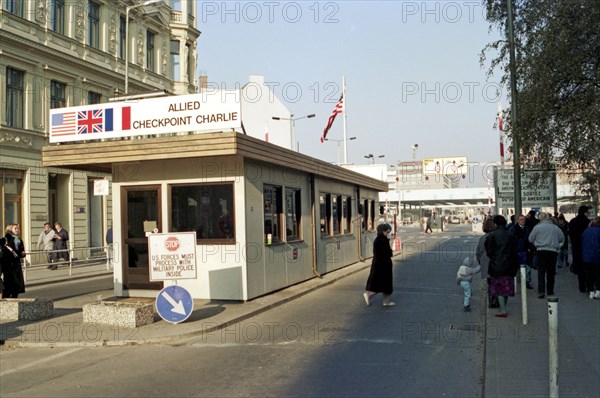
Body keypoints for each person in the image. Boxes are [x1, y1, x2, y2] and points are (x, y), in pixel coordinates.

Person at [485, 215, 519, 317]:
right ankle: (503, 307)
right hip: (510, 265)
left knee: (498, 288)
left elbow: (489, 250)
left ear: (495, 224)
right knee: (507, 287)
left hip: (497, 265)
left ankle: (502, 310)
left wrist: (494, 257)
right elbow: (515, 250)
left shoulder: (492, 235)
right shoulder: (511, 234)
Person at [529, 212, 564, 298]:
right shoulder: (555, 228)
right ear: (548, 218)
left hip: (541, 251)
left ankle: (541, 291)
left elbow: (530, 239)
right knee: (551, 272)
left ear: (540, 218)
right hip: (552, 251)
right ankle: (550, 291)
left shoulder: (537, 227)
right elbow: (561, 238)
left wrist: (536, 242)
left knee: (541, 272)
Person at [363, 223, 395, 307]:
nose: (387, 233)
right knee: (384, 283)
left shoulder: (377, 239)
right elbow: (388, 253)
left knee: (380, 282)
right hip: (384, 264)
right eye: (387, 231)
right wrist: (390, 251)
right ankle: (370, 295)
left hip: (377, 263)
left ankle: (386, 301)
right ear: (383, 231)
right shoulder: (383, 240)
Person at [476, 217, 497, 308]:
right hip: (497, 263)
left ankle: (491, 300)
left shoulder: (483, 238)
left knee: (490, 282)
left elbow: (479, 252)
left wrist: (480, 261)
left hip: (486, 263)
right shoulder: (497, 236)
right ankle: (497, 300)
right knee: (497, 281)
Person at [509, 214, 534, 289]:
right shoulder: (513, 228)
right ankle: (512, 283)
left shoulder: (527, 228)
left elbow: (529, 239)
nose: (522, 221)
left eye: (523, 219)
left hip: (525, 250)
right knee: (514, 268)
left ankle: (527, 282)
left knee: (527, 268)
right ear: (517, 220)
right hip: (517, 251)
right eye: (521, 219)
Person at [1, 224, 26, 298]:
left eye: (17, 228)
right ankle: (7, 298)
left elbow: (21, 250)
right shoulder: (6, 239)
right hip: (8, 265)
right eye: (15, 228)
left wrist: (23, 254)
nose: (17, 230)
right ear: (10, 229)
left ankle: (14, 298)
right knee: (9, 282)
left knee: (17, 284)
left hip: (16, 265)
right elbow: (4, 251)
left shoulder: (18, 240)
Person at [569, 205, 590, 293]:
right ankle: (589, 286)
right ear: (585, 212)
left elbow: (570, 235)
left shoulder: (573, 221)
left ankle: (581, 287)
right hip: (586, 248)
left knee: (580, 269)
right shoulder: (588, 222)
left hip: (576, 248)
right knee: (588, 268)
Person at [582, 216, 600, 299]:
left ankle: (591, 291)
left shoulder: (586, 231)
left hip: (587, 256)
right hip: (597, 256)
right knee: (598, 275)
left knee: (589, 275)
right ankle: (598, 291)